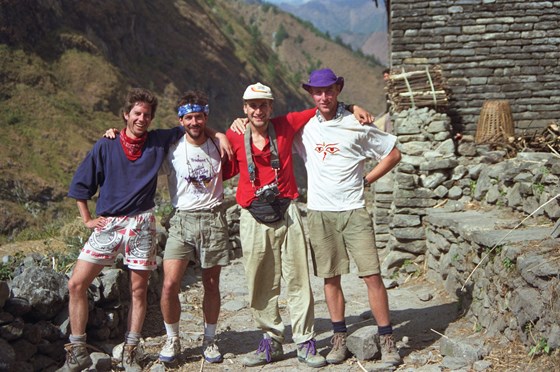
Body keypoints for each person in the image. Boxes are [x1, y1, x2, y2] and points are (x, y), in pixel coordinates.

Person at [226, 83, 371, 368]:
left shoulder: (286, 124)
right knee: (259, 280)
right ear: (244, 108)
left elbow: (324, 105)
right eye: (252, 105)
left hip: (287, 210)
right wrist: (213, 132)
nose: (258, 110)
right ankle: (271, 340)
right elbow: (212, 141)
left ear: (271, 107)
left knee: (298, 277)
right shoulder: (233, 134)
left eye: (263, 104)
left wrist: (353, 107)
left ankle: (305, 341)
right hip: (252, 214)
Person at [60, 88, 186, 372]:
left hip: (141, 224)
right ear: (126, 115)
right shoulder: (107, 144)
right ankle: (77, 348)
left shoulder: (157, 141)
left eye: (147, 115)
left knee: (138, 291)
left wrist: (222, 133)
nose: (142, 119)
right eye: (137, 113)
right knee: (76, 283)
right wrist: (87, 219)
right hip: (109, 224)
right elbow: (82, 184)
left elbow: (191, 125)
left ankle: (131, 349)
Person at [295, 68, 403, 366]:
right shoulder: (304, 127)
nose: (324, 96)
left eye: (329, 90)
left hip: (354, 209)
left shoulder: (356, 124)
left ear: (338, 89)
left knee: (372, 275)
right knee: (330, 278)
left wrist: (367, 180)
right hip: (319, 212)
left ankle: (387, 340)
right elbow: (268, 127)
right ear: (310, 94)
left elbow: (393, 154)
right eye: (317, 91)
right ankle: (339, 337)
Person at [157, 90, 235, 364]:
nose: (194, 122)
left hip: (212, 219)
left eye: (199, 117)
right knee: (169, 285)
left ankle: (210, 339)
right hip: (182, 219)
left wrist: (221, 134)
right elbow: (139, 146)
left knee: (211, 284)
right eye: (188, 117)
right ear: (181, 120)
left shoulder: (218, 145)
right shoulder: (173, 149)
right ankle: (172, 338)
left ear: (206, 118)